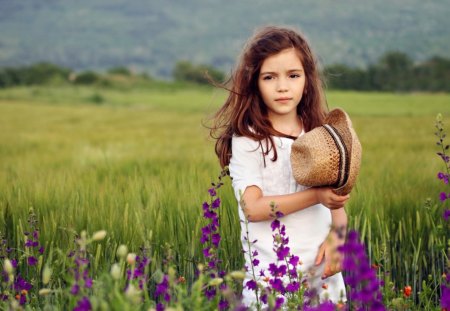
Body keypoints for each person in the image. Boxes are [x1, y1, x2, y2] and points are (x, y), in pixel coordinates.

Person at [210, 26, 348, 307]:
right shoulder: (249, 140)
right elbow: (253, 208)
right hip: (272, 284)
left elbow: (337, 203)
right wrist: (315, 196)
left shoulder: (320, 135)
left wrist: (339, 239)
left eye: (293, 76)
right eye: (269, 77)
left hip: (323, 279)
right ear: (254, 83)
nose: (282, 87)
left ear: (307, 80)